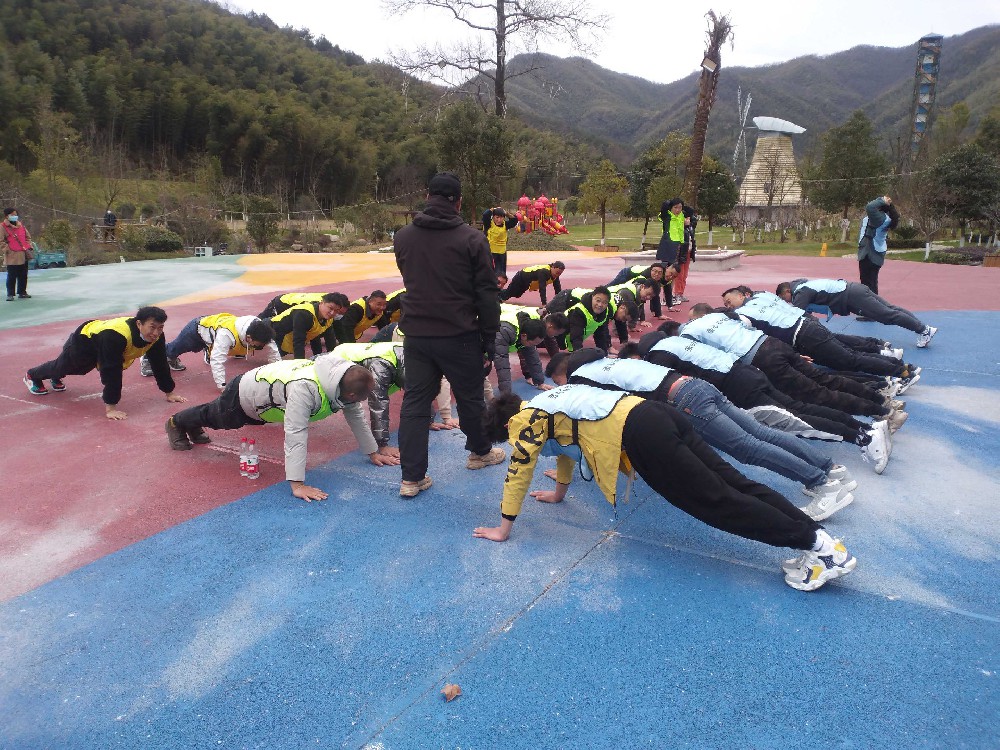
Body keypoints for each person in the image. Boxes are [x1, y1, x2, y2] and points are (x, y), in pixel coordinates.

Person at [472, 384, 858, 592]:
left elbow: (518, 472)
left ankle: (821, 550)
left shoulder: (522, 424)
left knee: (717, 501)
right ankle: (817, 540)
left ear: (505, 427)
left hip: (641, 435)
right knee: (734, 483)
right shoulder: (545, 403)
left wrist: (503, 528)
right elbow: (565, 447)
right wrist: (559, 493)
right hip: (654, 412)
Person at [549, 349, 856, 521]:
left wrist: (579, 467)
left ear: (567, 372)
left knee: (747, 448)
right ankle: (830, 470)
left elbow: (590, 424)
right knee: (761, 433)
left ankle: (822, 484)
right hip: (695, 385)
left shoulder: (581, 378)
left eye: (558, 381)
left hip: (682, 401)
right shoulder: (608, 362)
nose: (560, 387)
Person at [393, 171, 505, 498]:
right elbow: (486, 294)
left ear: (427, 196)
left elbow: (412, 278)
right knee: (470, 398)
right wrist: (489, 339)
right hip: (459, 334)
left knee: (415, 403)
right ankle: (480, 453)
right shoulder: (472, 239)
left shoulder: (403, 237)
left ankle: (411, 479)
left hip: (416, 334)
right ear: (458, 202)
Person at [638, 327, 894, 464]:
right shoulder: (680, 342)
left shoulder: (659, 355)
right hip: (746, 371)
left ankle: (863, 437)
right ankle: (867, 428)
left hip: (738, 387)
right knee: (799, 408)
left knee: (795, 421)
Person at [166, 355, 393, 501]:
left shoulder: (342, 379)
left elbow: (356, 416)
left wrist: (373, 452)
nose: (363, 401)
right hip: (245, 394)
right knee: (216, 417)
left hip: (263, 395)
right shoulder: (305, 389)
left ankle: (192, 427)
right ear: (351, 394)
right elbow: (295, 433)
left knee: (213, 416)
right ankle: (175, 422)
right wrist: (297, 485)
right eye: (363, 397)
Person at [721, 287, 920, 392]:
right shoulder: (762, 295)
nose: (729, 306)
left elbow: (752, 334)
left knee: (849, 359)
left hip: (804, 334)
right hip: (808, 325)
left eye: (729, 301)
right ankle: (897, 368)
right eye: (726, 304)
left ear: (741, 296)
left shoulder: (744, 314)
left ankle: (902, 372)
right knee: (846, 357)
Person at [24, 306, 187, 419]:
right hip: (85, 341)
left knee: (76, 369)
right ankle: (32, 375)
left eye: (160, 327)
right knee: (66, 366)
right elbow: (111, 370)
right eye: (152, 327)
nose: (156, 332)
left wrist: (170, 392)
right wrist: (111, 407)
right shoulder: (115, 336)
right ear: (139, 324)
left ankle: (56, 375)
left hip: (102, 342)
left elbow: (159, 363)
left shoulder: (156, 336)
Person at [776, 278, 938, 349]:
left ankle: (924, 330)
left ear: (788, 291)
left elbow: (796, 315)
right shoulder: (803, 284)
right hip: (855, 289)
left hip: (852, 297)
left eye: (785, 299)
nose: (787, 302)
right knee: (891, 309)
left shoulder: (801, 292)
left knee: (887, 316)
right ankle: (923, 328)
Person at [139, 313, 280, 388]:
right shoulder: (227, 334)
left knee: (233, 349)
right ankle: (147, 358)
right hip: (197, 330)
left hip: (215, 334)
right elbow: (217, 360)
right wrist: (222, 385)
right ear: (248, 338)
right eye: (257, 345)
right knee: (174, 349)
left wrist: (279, 373)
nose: (260, 348)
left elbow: (273, 350)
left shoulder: (261, 330)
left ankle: (208, 348)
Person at [330, 341, 407, 465]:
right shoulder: (381, 367)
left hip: (349, 352)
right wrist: (382, 445)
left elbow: (420, 391)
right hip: (339, 360)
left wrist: (429, 419)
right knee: (352, 405)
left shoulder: (409, 355)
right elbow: (378, 402)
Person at [493, 304, 551, 394]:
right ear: (524, 336)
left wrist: (540, 382)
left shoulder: (528, 330)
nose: (533, 346)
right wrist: (506, 395)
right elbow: (502, 365)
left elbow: (532, 356)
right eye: (533, 343)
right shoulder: (504, 332)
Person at [269, 297, 341, 359]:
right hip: (272, 333)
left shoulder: (327, 318)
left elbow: (328, 339)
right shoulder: (305, 314)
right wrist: (300, 362)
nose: (332, 313)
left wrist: (332, 356)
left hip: (286, 340)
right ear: (322, 303)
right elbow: (298, 340)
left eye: (336, 311)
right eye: (330, 308)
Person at [857, 195, 898, 296]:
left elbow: (870, 207)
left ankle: (871, 304)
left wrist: (883, 200)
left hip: (870, 254)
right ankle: (871, 303)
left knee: (868, 286)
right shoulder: (884, 218)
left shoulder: (880, 218)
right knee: (870, 283)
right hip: (873, 253)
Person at [606, 261, 674, 319]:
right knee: (611, 287)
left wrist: (661, 312)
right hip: (626, 274)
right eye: (671, 273)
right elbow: (641, 299)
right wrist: (642, 319)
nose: (657, 274)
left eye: (674, 276)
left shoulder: (659, 279)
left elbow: (656, 295)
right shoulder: (643, 278)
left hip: (633, 283)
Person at [607, 279, 656, 344]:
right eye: (648, 294)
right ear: (642, 287)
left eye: (651, 297)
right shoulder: (626, 294)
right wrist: (620, 333)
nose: (648, 297)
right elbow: (620, 318)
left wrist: (632, 326)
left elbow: (636, 310)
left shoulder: (640, 296)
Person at [499, 262, 565, 306]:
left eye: (560, 274)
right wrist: (544, 303)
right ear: (553, 267)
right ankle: (495, 294)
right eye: (557, 273)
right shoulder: (544, 272)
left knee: (517, 295)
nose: (557, 275)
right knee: (507, 295)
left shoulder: (555, 275)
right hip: (520, 277)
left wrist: (560, 301)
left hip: (527, 281)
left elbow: (557, 289)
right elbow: (542, 287)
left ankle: (499, 292)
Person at [258, 292, 350, 322]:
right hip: (282, 303)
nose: (336, 314)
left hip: (293, 302)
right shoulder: (316, 306)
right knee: (261, 321)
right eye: (339, 312)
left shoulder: (330, 300)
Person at [3, 207, 32, 301]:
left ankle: (22, 292)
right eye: (12, 215)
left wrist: (28, 246)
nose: (15, 216)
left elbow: (28, 237)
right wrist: (8, 249)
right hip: (12, 256)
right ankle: (10, 294)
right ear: (7, 216)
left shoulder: (21, 226)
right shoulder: (2, 227)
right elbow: (1, 241)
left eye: (15, 214)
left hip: (23, 254)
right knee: (11, 275)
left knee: (23, 275)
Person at [482, 207, 519, 275]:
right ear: (493, 217)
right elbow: (485, 215)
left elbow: (514, 220)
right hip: (490, 253)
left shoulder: (505, 225)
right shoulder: (489, 224)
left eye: (501, 218)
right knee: (490, 273)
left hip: (502, 253)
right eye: (497, 217)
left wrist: (506, 213)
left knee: (501, 273)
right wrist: (493, 209)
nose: (499, 220)